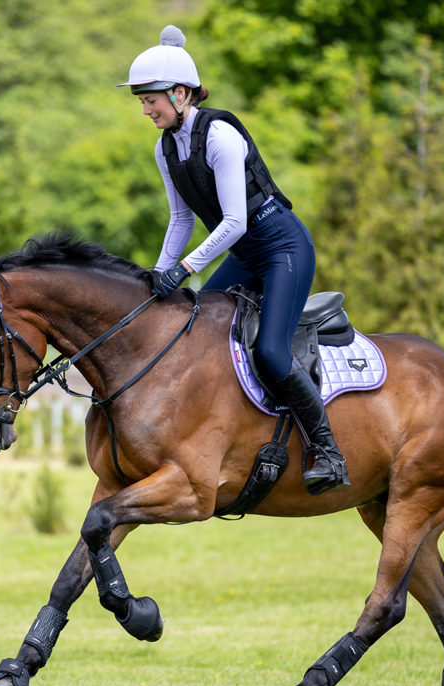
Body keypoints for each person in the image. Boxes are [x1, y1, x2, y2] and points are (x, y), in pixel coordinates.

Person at [117, 26, 349, 494]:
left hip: (283, 248)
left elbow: (234, 223)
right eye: (141, 101)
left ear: (180, 94)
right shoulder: (166, 148)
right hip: (245, 253)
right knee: (197, 330)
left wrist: (184, 269)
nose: (145, 109)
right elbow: (181, 218)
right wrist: (160, 272)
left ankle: (328, 451)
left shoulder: (220, 135)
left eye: (150, 100)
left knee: (269, 350)